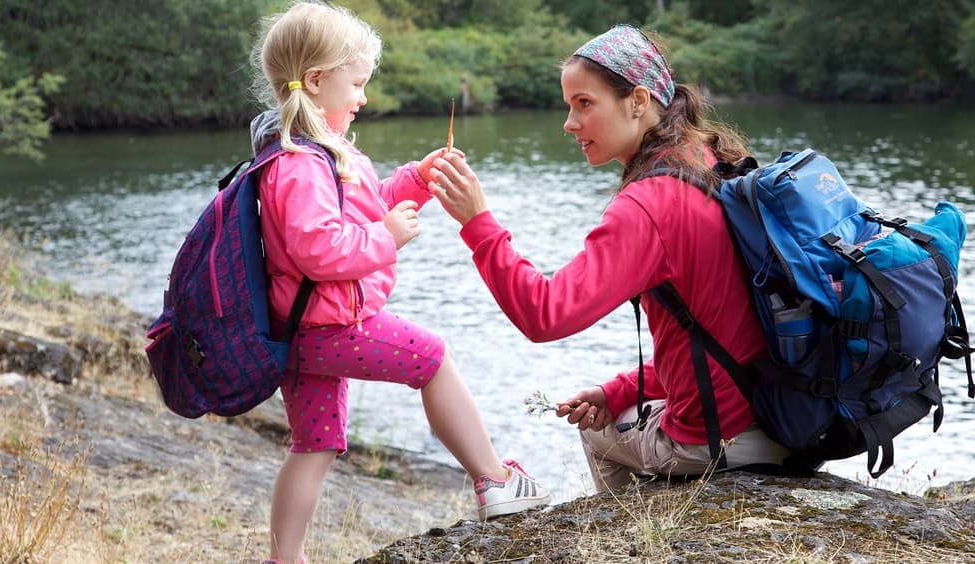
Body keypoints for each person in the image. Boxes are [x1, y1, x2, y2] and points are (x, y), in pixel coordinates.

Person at [427, 24, 790, 493]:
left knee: (598, 431)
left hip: (720, 438)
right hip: (778, 414)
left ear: (637, 102)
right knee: (614, 410)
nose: (569, 122)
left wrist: (478, 223)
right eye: (568, 106)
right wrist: (618, 390)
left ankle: (632, 538)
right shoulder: (711, 161)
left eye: (584, 103)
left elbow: (545, 314)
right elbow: (723, 335)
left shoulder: (650, 203)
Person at [249, 2, 549, 562]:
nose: (362, 97)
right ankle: (493, 479)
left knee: (314, 445)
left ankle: (284, 558)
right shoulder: (300, 164)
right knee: (433, 358)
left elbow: (360, 211)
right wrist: (387, 239)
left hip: (302, 329)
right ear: (315, 81)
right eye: (356, 84)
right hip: (330, 325)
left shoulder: (315, 153)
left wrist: (417, 179)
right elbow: (320, 251)